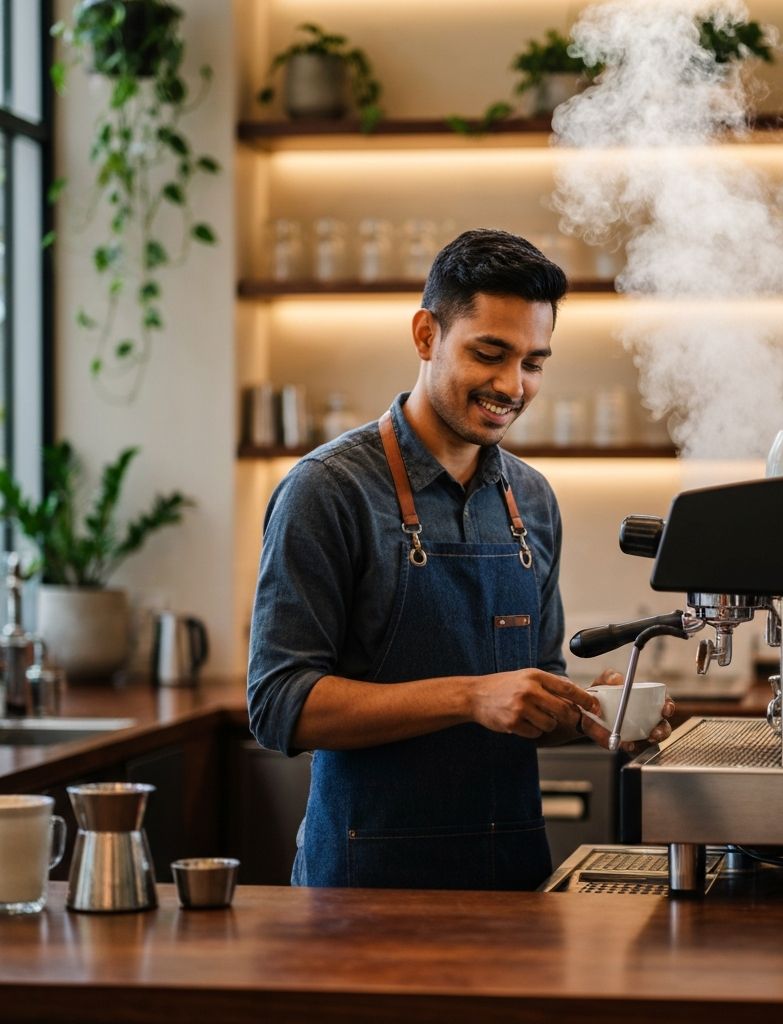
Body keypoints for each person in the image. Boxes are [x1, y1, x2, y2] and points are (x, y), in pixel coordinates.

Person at [247, 228, 674, 891]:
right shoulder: (327, 490)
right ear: (426, 336)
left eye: (533, 362)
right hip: (364, 892)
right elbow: (279, 705)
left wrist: (587, 710)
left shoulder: (530, 499)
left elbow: (525, 699)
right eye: (490, 353)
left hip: (509, 884)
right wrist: (472, 697)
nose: (512, 385)